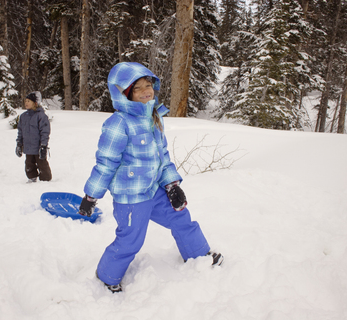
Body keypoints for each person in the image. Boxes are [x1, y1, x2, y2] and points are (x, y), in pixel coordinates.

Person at [78, 62, 223, 293]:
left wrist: (172, 185)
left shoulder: (154, 117)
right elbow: (106, 163)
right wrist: (91, 196)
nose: (147, 91)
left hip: (154, 190)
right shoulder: (118, 124)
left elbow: (162, 156)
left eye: (149, 85)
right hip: (131, 197)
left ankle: (199, 255)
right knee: (131, 240)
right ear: (124, 93)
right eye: (138, 88)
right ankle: (107, 276)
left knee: (181, 216)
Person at [15, 91, 52, 182]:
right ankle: (32, 177)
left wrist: (43, 145)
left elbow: (45, 132)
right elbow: (20, 131)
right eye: (25, 101)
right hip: (28, 146)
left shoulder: (41, 116)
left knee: (42, 163)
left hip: (38, 146)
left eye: (28, 101)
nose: (26, 103)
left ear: (35, 103)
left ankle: (45, 179)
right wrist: (19, 143)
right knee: (29, 163)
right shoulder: (23, 116)